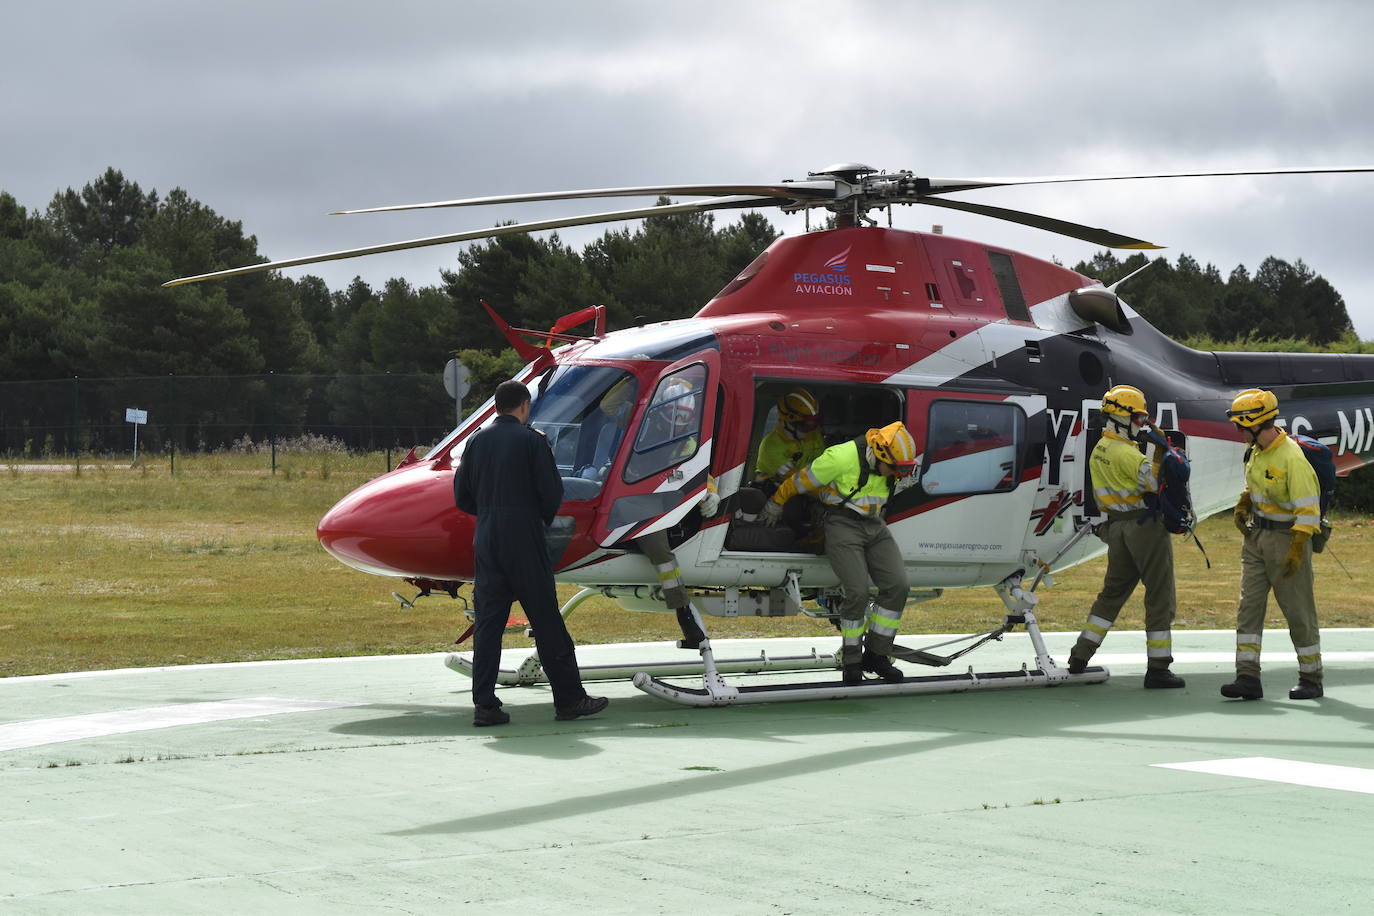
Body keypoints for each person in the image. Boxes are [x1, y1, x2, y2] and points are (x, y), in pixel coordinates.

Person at [455, 379, 607, 726]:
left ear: (496, 406)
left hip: (487, 536)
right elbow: (551, 493)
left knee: (488, 624)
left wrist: (491, 513)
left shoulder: (476, 441)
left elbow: (462, 496)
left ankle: (485, 706)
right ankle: (569, 700)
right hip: (523, 535)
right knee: (546, 620)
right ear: (524, 406)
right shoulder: (532, 441)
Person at [760, 421, 916, 685]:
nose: (898, 475)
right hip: (840, 523)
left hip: (874, 525)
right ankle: (852, 660)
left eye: (903, 470)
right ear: (878, 453)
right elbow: (799, 481)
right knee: (857, 592)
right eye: (894, 469)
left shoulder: (892, 466)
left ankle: (877, 656)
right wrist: (775, 503)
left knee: (898, 586)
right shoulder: (839, 458)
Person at [1066, 386, 1184, 688]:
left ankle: (1080, 655)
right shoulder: (1128, 455)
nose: (1141, 423)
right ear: (1123, 416)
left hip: (1116, 529)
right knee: (1160, 596)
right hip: (1144, 528)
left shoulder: (1100, 449)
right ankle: (1158, 668)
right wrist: (1164, 453)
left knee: (1112, 594)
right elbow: (1158, 481)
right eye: (1139, 417)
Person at [1220, 388, 1324, 701]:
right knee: (1248, 608)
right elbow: (1257, 485)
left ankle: (1311, 677)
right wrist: (1245, 501)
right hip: (1256, 539)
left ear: (1255, 424)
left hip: (1287, 540)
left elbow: (1309, 509)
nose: (1238, 432)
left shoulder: (1292, 457)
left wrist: (1297, 545)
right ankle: (1247, 677)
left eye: (1241, 425)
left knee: (1297, 610)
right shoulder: (1256, 452)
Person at [755, 388, 825, 487]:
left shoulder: (813, 434)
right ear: (790, 421)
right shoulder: (770, 446)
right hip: (776, 493)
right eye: (806, 425)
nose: (811, 429)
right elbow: (797, 480)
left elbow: (823, 463)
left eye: (814, 423)